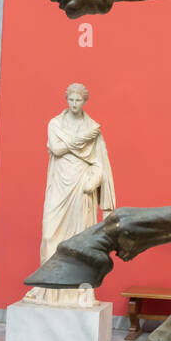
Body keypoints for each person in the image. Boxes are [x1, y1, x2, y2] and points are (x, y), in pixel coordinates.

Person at [24, 83, 116, 307]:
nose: (74, 104)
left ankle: (80, 289)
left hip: (81, 186)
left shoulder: (93, 127)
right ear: (67, 100)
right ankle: (47, 286)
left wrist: (92, 180)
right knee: (49, 235)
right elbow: (56, 149)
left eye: (78, 100)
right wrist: (83, 139)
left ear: (85, 101)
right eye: (71, 100)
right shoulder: (56, 123)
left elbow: (100, 164)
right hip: (59, 185)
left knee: (79, 238)